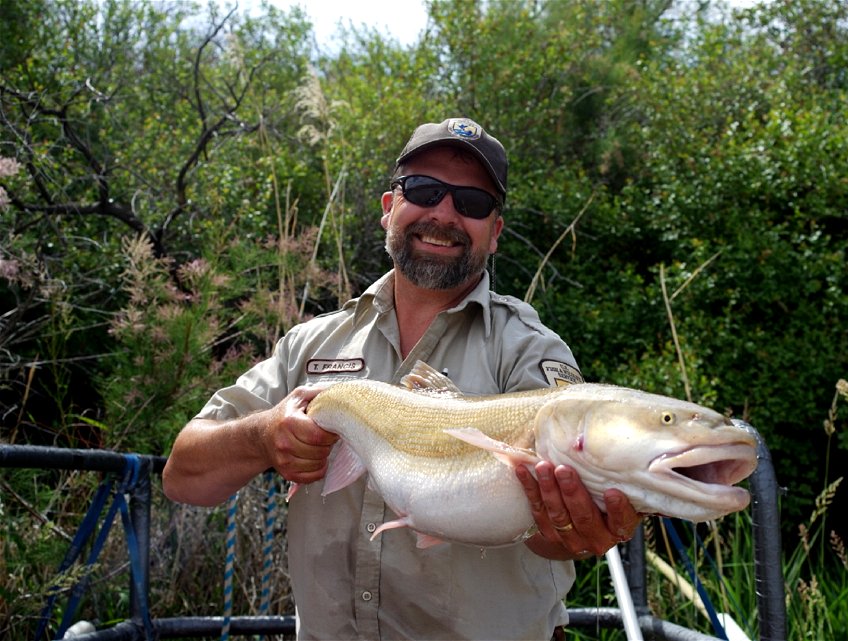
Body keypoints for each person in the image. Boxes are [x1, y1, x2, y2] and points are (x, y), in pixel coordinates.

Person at [162, 117, 641, 640]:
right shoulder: (310, 344)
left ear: (495, 233)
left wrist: (575, 526)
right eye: (424, 190)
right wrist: (263, 435)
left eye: (472, 203)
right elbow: (184, 475)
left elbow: (555, 536)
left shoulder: (530, 351)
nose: (444, 213)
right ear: (390, 207)